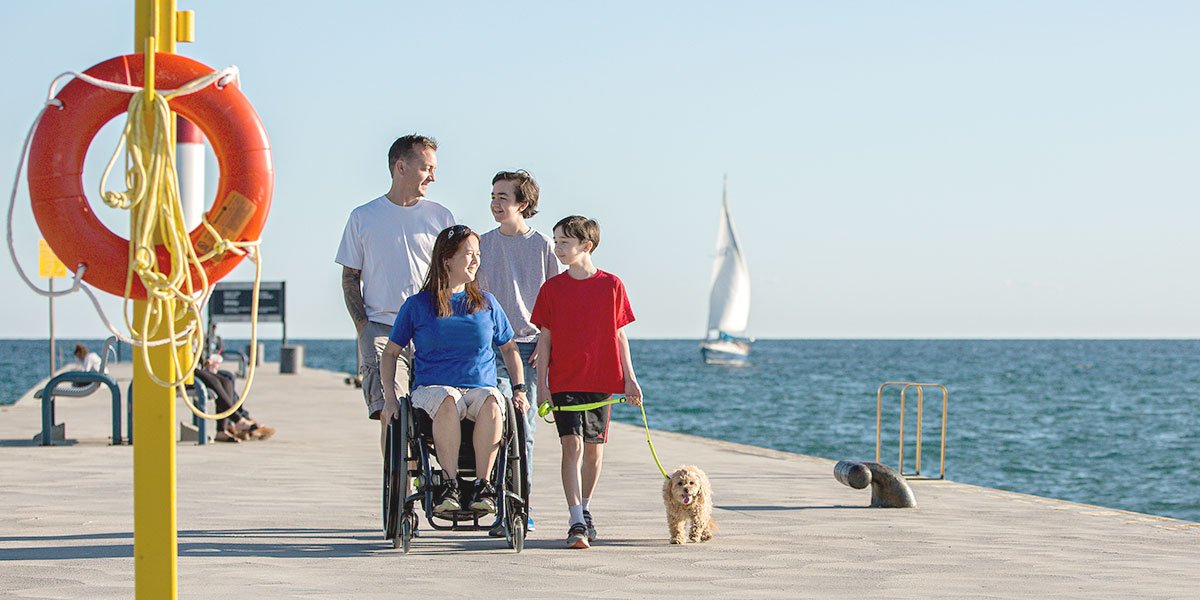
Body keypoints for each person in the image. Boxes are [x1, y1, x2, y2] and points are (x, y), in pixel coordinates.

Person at [379, 225, 530, 515]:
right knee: (447, 399)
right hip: (432, 390)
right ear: (447, 259)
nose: (476, 260)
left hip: (478, 389)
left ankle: (483, 486)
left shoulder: (487, 303)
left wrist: (519, 389)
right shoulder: (418, 305)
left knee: (491, 401)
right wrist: (389, 396)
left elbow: (509, 349)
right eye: (468, 254)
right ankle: (449, 485)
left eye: (478, 254)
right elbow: (391, 353)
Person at [530, 215, 642, 549]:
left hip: (602, 380)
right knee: (572, 445)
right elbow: (544, 341)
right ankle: (575, 517)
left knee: (594, 451)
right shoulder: (552, 288)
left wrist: (631, 380)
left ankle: (587, 508)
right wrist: (542, 385)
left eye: (564, 242)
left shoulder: (612, 285)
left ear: (586, 246)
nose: (557, 248)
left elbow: (620, 335)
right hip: (564, 380)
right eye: (555, 241)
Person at [335, 134, 454, 446]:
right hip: (382, 328)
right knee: (393, 409)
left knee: (440, 406)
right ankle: (397, 483)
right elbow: (350, 278)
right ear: (401, 167)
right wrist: (364, 328)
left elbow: (454, 275)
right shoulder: (363, 217)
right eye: (427, 168)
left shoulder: (440, 217)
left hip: (431, 327)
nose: (433, 176)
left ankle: (431, 476)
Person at [476, 169, 560, 533]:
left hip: (531, 349)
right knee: (498, 422)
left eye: (503, 197)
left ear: (522, 204)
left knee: (524, 431)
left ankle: (521, 508)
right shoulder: (481, 244)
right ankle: (499, 505)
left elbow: (557, 300)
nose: (495, 203)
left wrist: (548, 342)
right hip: (492, 349)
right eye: (493, 196)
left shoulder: (542, 245)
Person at [192, 354, 275, 442]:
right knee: (215, 381)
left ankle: (225, 428)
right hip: (184, 371)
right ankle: (238, 419)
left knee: (227, 379)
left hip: (194, 367)